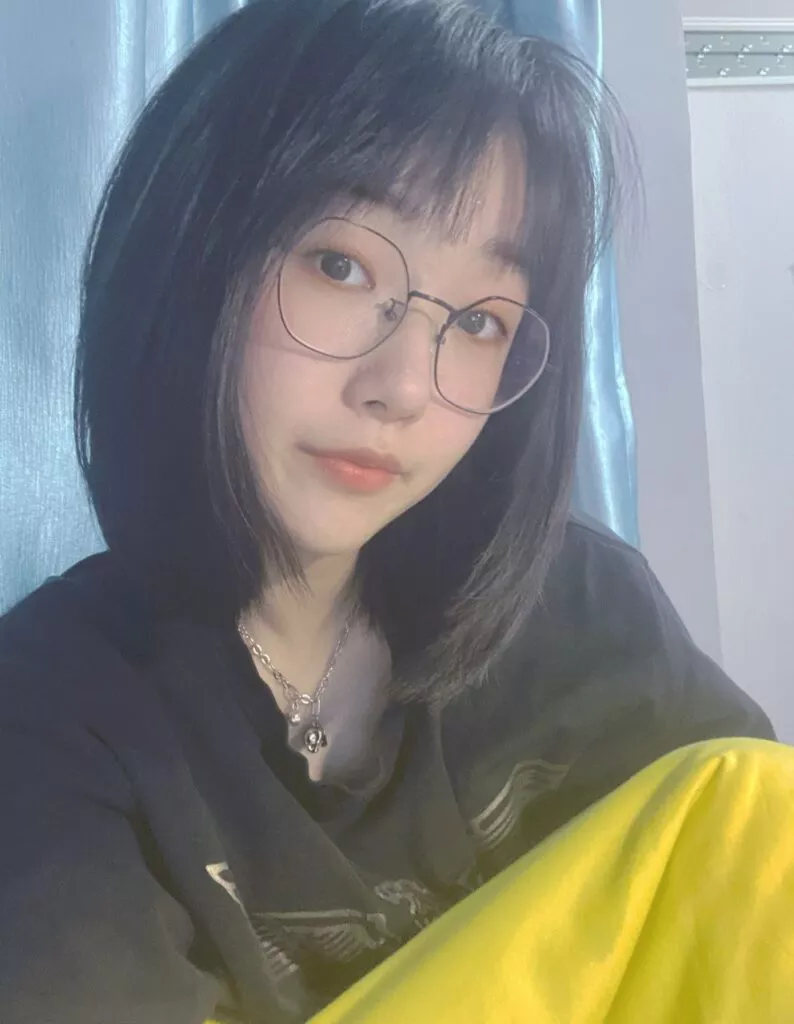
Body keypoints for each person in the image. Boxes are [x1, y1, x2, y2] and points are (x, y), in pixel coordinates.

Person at [0, 1, 775, 1022]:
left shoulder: (584, 613)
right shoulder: (51, 713)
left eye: (480, 320)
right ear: (193, 251)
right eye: (342, 266)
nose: (403, 386)